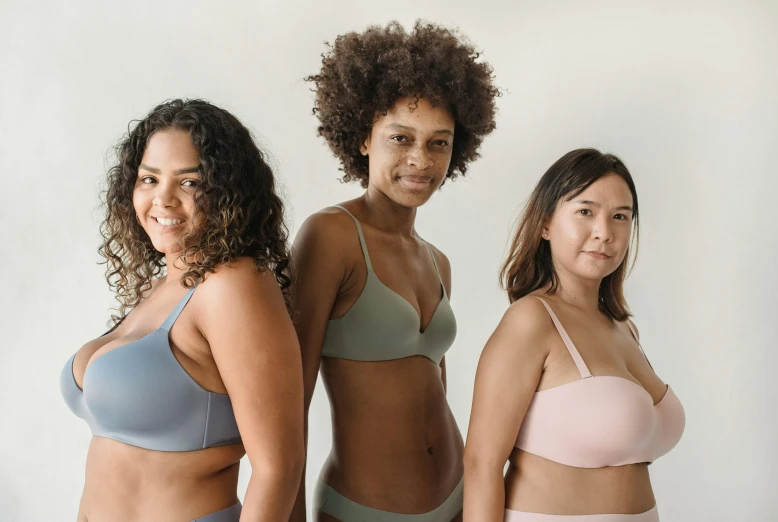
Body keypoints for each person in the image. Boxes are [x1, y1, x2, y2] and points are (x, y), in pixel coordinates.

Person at [290, 21, 499, 522]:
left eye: (438, 143)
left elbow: (434, 387)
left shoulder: (436, 259)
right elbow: (286, 399)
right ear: (363, 137)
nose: (420, 160)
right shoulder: (330, 236)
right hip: (363, 508)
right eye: (400, 138)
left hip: (458, 497)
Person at [60, 99, 304, 522]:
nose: (163, 198)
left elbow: (277, 469)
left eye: (190, 182)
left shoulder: (234, 285)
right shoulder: (161, 289)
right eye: (149, 179)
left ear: (227, 191)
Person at [464, 149, 685, 522]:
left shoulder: (623, 327)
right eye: (586, 212)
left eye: (620, 217)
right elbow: (481, 464)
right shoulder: (531, 321)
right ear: (546, 224)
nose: (604, 232)